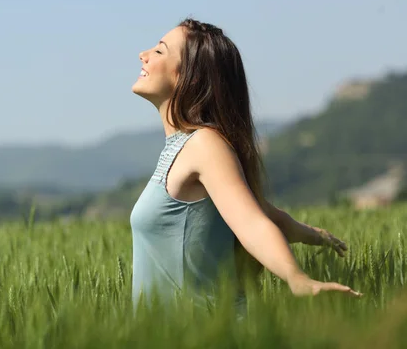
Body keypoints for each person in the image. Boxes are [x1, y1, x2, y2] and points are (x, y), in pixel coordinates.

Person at [129, 18, 361, 312]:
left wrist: (297, 278)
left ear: (192, 78)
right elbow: (264, 212)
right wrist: (315, 235)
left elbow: (251, 222)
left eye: (160, 51)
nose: (144, 54)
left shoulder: (203, 144)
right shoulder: (182, 147)